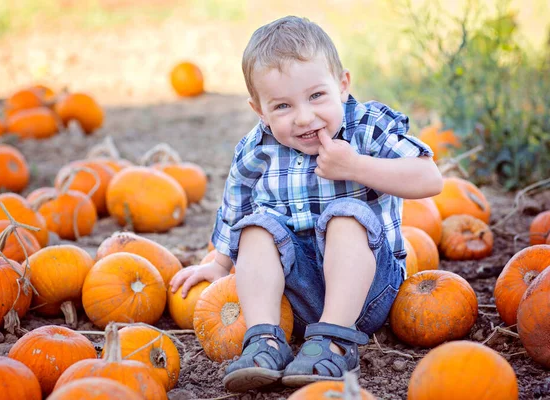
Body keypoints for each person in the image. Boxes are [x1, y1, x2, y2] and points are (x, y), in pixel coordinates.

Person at [169, 15, 443, 392]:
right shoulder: (257, 148)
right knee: (256, 226)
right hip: (295, 296)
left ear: (342, 85)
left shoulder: (368, 126)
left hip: (368, 291)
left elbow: (430, 178)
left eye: (316, 96)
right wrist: (218, 263)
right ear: (260, 111)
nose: (304, 117)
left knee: (346, 217)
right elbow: (235, 205)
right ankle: (265, 339)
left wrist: (356, 166)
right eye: (282, 106)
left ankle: (334, 341)